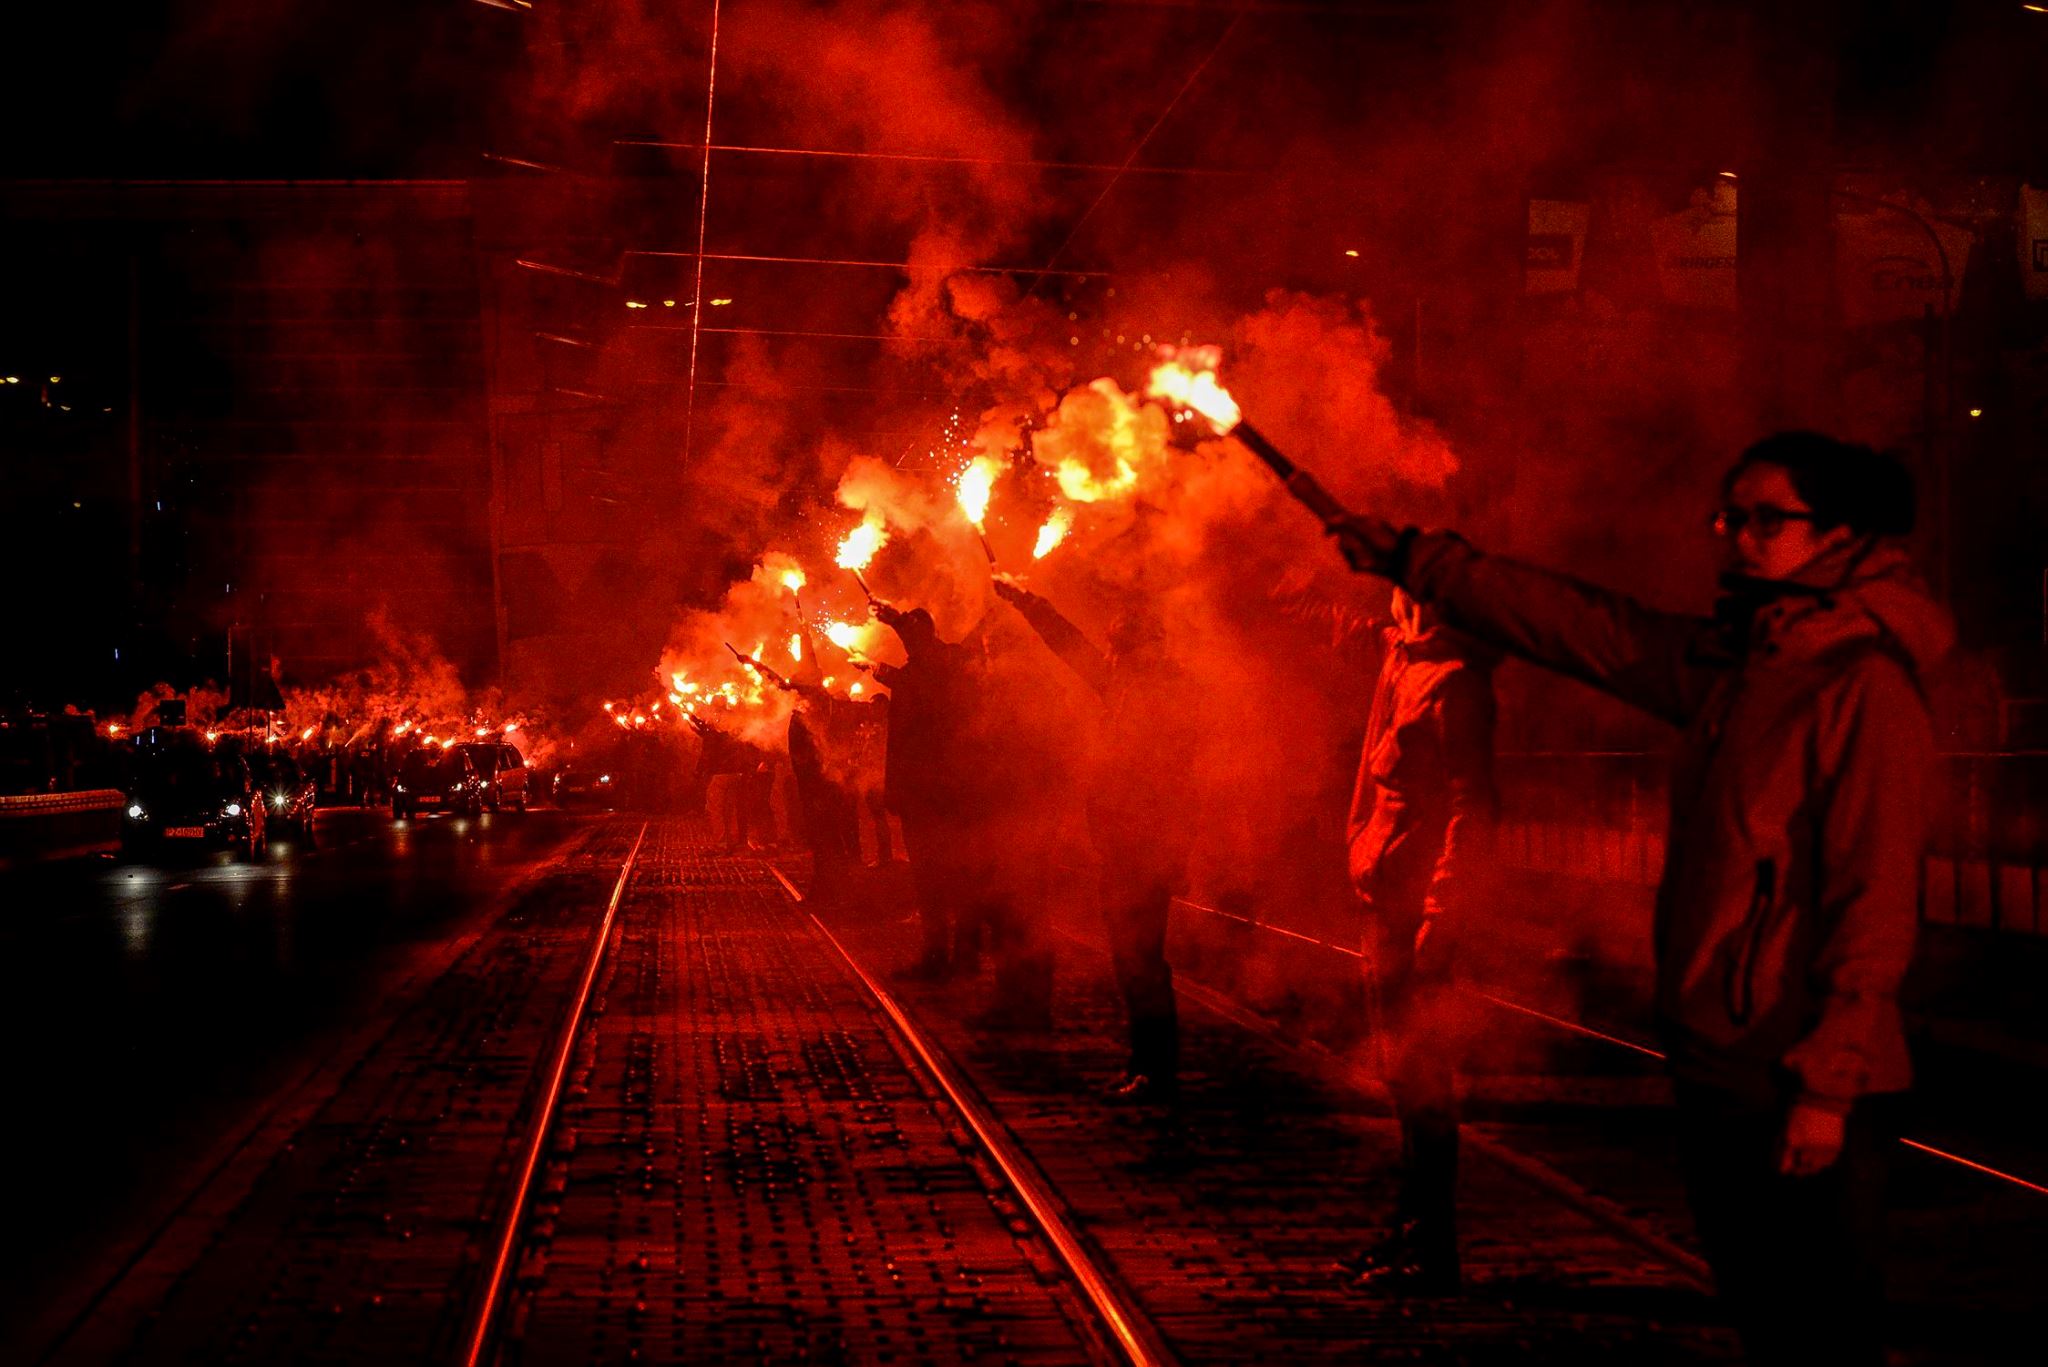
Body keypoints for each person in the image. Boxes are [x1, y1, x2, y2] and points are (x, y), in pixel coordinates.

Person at [1328, 432, 1944, 1359]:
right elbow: (1589, 629)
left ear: (1843, 537)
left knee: (1819, 1331)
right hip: (1722, 1059)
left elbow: (1875, 902)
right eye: (1728, 515)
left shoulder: (1858, 686)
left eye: (1766, 519)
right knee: (1767, 1322)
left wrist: (1827, 1089)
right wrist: (1420, 560)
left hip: (1803, 1075)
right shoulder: (1741, 663)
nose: (1735, 535)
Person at [1339, 587, 1498, 1292]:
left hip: (1415, 907)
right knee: (1400, 1076)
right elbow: (1343, 623)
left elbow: (1473, 808)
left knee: (1422, 1080)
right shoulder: (1403, 659)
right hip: (1385, 890)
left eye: (1405, 583)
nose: (1394, 595)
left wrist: (1443, 910)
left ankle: (1431, 1246)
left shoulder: (1456, 684)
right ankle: (1409, 1230)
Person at [994, 576, 1201, 1101]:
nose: (1105, 656)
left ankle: (1154, 1068)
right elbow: (1071, 648)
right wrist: (1027, 600)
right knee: (1133, 959)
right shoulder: (1129, 687)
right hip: (1123, 844)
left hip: (1142, 848)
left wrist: (1169, 850)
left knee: (1140, 960)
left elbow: (1175, 785)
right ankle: (1148, 1062)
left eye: (1114, 647)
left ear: (1131, 651)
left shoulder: (1158, 697)